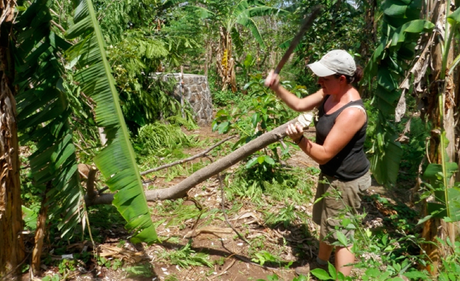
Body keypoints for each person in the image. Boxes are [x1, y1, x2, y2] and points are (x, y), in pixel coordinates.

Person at [264, 49, 371, 277]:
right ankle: (321, 265)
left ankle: (341, 278)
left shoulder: (352, 111)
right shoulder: (330, 93)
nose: (319, 81)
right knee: (327, 222)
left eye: (324, 77)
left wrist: (299, 140)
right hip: (332, 175)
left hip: (346, 181)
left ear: (342, 79)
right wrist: (277, 87)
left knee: (343, 236)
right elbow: (300, 104)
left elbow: (324, 154)